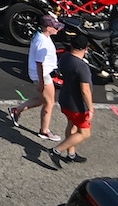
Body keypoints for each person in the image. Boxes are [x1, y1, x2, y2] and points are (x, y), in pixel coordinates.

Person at [8, 14, 64, 143]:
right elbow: (40, 63)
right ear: (48, 27)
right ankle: (44, 131)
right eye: (55, 26)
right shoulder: (42, 42)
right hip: (43, 75)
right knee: (49, 103)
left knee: (42, 100)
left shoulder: (41, 35)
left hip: (41, 73)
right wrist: (42, 82)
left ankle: (16, 110)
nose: (58, 29)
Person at [53, 33, 96, 167]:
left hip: (65, 99)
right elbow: (85, 90)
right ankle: (56, 150)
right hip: (77, 105)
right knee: (84, 133)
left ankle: (71, 154)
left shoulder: (65, 57)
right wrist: (90, 108)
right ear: (86, 48)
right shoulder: (82, 67)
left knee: (71, 125)